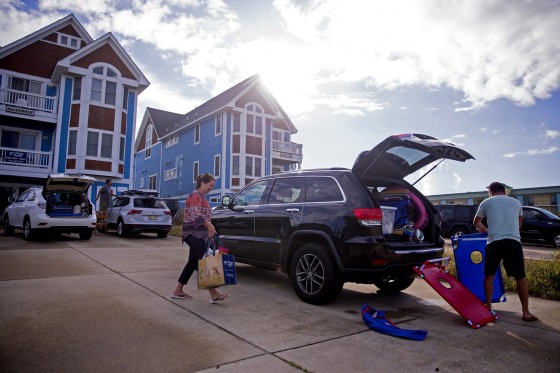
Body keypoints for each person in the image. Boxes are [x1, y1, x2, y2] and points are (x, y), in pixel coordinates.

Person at [473, 182, 538, 321]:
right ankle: (526, 312)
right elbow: (519, 224)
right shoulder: (516, 203)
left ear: (490, 191)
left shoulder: (486, 202)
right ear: (504, 191)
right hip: (513, 242)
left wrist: (486, 229)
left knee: (489, 275)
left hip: (494, 242)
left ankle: (489, 308)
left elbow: (476, 222)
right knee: (520, 277)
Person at [172, 173, 229, 303]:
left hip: (199, 235)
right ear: (202, 183)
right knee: (203, 263)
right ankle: (214, 293)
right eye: (211, 185)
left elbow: (205, 217)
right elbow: (195, 214)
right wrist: (209, 226)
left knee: (192, 263)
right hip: (192, 234)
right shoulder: (196, 196)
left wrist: (210, 233)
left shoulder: (201, 197)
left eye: (213, 187)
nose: (211, 188)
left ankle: (178, 291)